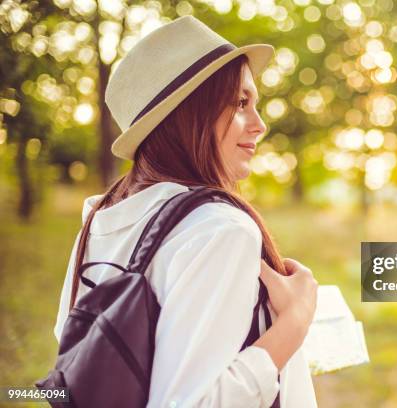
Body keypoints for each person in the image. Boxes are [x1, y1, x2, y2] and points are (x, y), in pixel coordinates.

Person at [52, 16, 318, 407]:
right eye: (241, 103)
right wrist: (294, 323)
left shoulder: (99, 221)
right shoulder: (219, 229)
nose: (260, 125)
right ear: (188, 113)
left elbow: (77, 360)